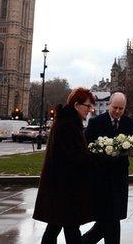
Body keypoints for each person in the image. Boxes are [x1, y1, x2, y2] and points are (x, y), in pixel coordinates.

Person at [33, 87, 97, 243]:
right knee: (69, 227)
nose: (89, 110)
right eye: (87, 106)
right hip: (64, 186)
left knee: (56, 226)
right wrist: (95, 157)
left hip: (60, 186)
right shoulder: (68, 124)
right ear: (76, 105)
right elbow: (75, 156)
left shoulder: (66, 121)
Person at [82, 92, 133, 244]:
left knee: (112, 218)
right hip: (101, 177)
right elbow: (86, 147)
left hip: (119, 177)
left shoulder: (129, 123)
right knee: (109, 219)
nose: (117, 111)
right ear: (109, 105)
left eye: (121, 108)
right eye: (115, 107)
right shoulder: (96, 122)